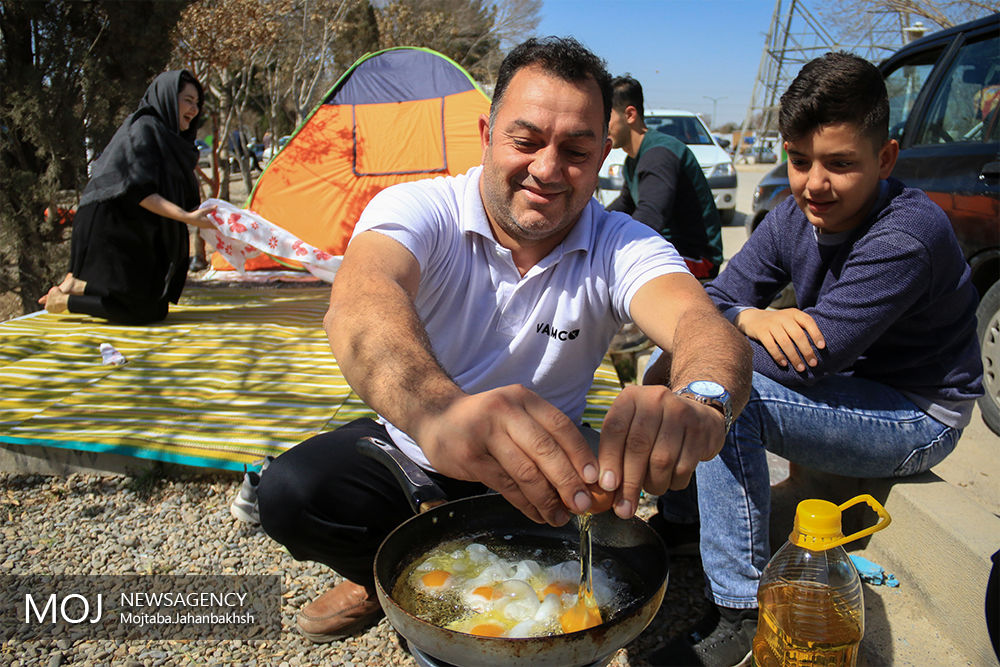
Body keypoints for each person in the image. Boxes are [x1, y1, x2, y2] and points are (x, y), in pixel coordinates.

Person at [256, 36, 751, 644]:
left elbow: (700, 324)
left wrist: (702, 399)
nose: (547, 169)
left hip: (550, 465)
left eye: (575, 150)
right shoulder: (421, 207)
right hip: (416, 450)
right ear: (488, 133)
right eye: (526, 141)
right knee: (289, 492)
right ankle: (371, 578)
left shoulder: (623, 243)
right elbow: (361, 300)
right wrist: (440, 412)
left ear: (601, 158)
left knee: (588, 576)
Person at [648, 52, 983, 667]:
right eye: (799, 161)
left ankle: (742, 611)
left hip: (918, 415)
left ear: (885, 159)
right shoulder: (791, 217)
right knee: (684, 360)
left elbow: (804, 364)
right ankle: (680, 522)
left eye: (840, 164)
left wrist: (707, 345)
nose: (813, 184)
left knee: (722, 397)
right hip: (858, 388)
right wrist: (749, 317)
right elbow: (711, 302)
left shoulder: (906, 235)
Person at [39, 70, 217, 324]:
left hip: (138, 225)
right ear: (167, 97)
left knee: (155, 306)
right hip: (110, 222)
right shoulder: (144, 127)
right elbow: (138, 190)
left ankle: (77, 286)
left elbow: (183, 196)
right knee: (144, 310)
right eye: (188, 100)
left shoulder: (172, 141)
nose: (195, 109)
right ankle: (67, 298)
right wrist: (188, 217)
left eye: (197, 103)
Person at [605, 75, 724, 280]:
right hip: (671, 248)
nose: (600, 126)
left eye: (605, 118)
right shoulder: (633, 160)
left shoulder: (659, 154)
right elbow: (625, 203)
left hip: (696, 258)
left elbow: (649, 218)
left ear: (630, 114)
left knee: (605, 271)